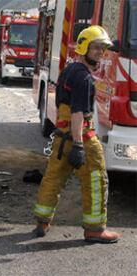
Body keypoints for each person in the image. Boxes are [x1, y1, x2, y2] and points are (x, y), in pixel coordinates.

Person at [32, 26, 120, 243]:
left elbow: (61, 103)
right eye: (96, 48)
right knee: (96, 180)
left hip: (61, 138)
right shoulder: (85, 79)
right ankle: (95, 230)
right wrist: (80, 145)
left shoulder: (69, 70)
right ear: (84, 47)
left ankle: (42, 222)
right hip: (82, 137)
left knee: (53, 178)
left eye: (103, 49)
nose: (100, 52)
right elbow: (78, 113)